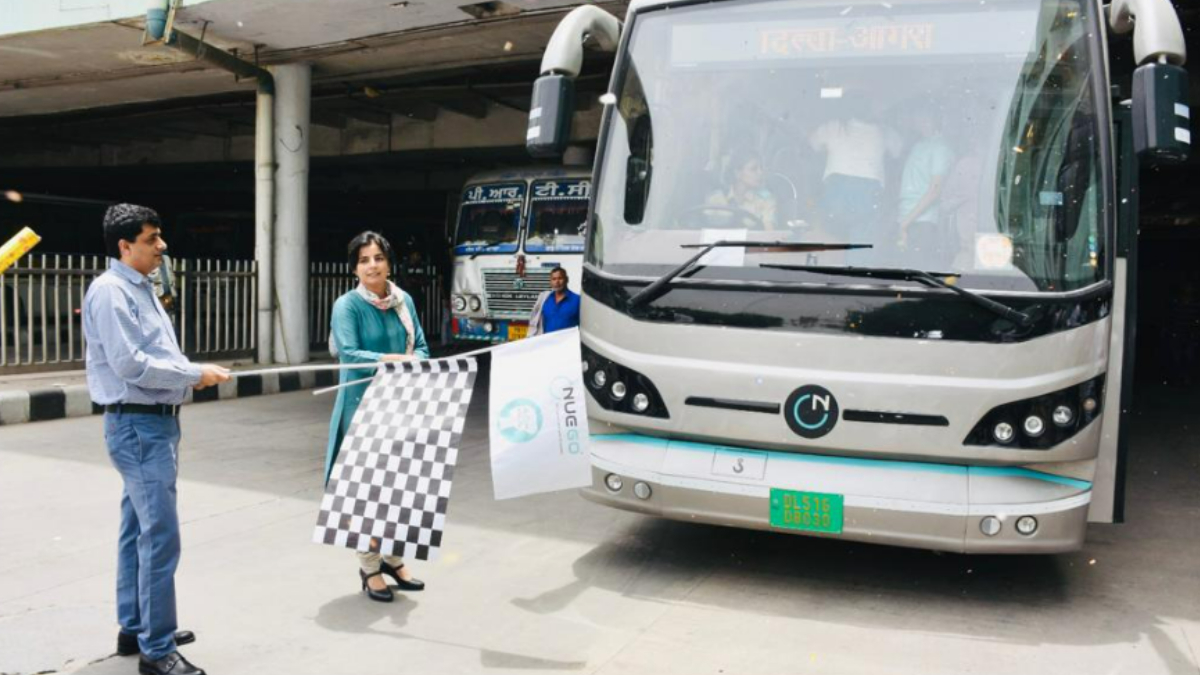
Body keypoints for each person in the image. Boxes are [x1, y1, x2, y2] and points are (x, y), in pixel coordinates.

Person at [84, 203, 230, 675]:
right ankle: (157, 648)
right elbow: (131, 364)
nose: (162, 246)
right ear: (125, 246)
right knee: (160, 536)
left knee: (138, 530)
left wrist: (190, 374)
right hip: (138, 426)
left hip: (153, 424)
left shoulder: (140, 287)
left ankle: (137, 627)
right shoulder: (111, 292)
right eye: (152, 239)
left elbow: (155, 354)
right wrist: (193, 374)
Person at [326, 231, 430, 603]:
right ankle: (370, 567)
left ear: (389, 262)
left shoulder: (404, 301)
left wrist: (415, 360)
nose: (373, 265)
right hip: (360, 409)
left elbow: (421, 345)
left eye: (379, 258)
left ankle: (393, 559)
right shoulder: (347, 306)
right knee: (365, 494)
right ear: (354, 268)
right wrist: (394, 360)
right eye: (364, 260)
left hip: (399, 406)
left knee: (399, 489)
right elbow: (350, 354)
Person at [809, 95, 903, 251]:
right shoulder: (883, 131)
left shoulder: (833, 127)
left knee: (829, 236)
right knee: (861, 243)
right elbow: (898, 151)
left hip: (836, 190)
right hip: (868, 192)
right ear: (869, 109)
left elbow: (812, 144)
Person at [896, 108, 955, 266]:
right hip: (906, 218)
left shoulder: (940, 148)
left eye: (923, 115)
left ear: (934, 119)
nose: (917, 119)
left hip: (923, 222)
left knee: (916, 270)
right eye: (917, 114)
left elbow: (935, 190)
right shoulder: (918, 145)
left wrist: (906, 222)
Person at [704, 147, 778, 230]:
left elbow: (769, 233)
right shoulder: (716, 199)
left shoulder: (766, 200)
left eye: (761, 168)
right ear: (737, 173)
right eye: (753, 169)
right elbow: (706, 231)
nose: (760, 173)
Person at [528, 266, 580, 336]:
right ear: (551, 282)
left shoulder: (577, 300)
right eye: (554, 279)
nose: (557, 282)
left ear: (567, 279)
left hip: (568, 342)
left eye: (560, 278)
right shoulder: (545, 299)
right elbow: (535, 322)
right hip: (548, 341)